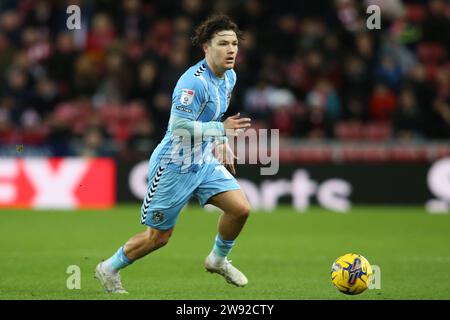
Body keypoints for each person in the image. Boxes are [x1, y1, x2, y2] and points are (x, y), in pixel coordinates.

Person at [95, 14, 252, 293]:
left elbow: (214, 115)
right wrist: (220, 129)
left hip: (202, 159)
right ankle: (109, 267)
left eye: (234, 43)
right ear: (206, 47)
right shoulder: (193, 82)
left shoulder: (230, 77)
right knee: (158, 237)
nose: (231, 50)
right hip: (174, 164)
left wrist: (220, 140)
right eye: (223, 43)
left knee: (240, 209)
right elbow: (179, 126)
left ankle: (217, 259)